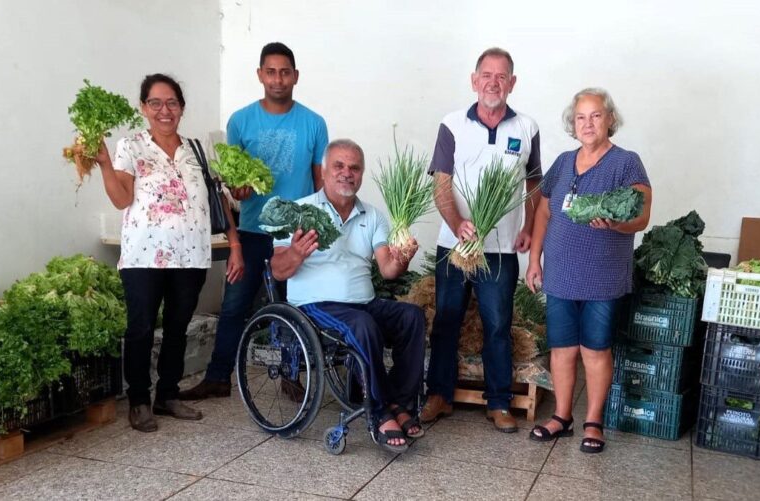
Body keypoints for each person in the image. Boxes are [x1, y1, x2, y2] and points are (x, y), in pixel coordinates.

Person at [95, 74, 244, 432]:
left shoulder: (196, 150)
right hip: (144, 256)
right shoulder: (131, 146)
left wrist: (235, 244)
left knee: (179, 327)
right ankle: (139, 401)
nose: (165, 110)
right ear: (144, 108)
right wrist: (102, 163)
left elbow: (220, 201)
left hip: (190, 255)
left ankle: (167, 394)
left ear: (182, 108)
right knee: (141, 328)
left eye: (172, 103)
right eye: (156, 103)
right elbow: (121, 199)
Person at [180, 42, 328, 400]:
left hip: (293, 232)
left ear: (296, 76)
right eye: (271, 71)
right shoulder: (241, 121)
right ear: (260, 75)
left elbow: (320, 181)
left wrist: (319, 228)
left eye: (285, 72)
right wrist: (238, 190)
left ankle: (292, 375)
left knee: (294, 306)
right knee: (234, 305)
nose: (278, 79)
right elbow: (235, 180)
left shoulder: (313, 123)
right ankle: (218, 377)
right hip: (250, 230)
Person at [271, 139, 426, 453]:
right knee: (362, 324)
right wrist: (297, 254)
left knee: (411, 316)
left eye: (354, 167)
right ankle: (380, 412)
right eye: (339, 166)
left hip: (361, 303)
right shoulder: (299, 212)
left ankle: (401, 403)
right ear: (325, 171)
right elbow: (277, 270)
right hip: (314, 306)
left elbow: (387, 271)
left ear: (362, 174)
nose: (346, 173)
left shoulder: (373, 216)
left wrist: (403, 257)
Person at [419, 47, 542, 433]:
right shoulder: (452, 124)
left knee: (497, 323)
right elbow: (442, 185)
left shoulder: (527, 128)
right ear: (474, 81)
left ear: (512, 83)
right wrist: (457, 224)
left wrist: (528, 226)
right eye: (486, 75)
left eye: (501, 76)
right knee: (447, 320)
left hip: (502, 249)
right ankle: (439, 394)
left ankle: (500, 401)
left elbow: (535, 184)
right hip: (454, 246)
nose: (493, 82)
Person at [526, 88, 652, 453]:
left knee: (594, 349)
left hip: (602, 275)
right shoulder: (564, 162)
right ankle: (562, 416)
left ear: (610, 119)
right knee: (562, 348)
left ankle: (593, 421)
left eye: (596, 115)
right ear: (572, 123)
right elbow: (545, 213)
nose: (588, 123)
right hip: (561, 272)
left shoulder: (627, 163)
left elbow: (641, 215)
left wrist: (615, 223)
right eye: (581, 117)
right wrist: (535, 260)